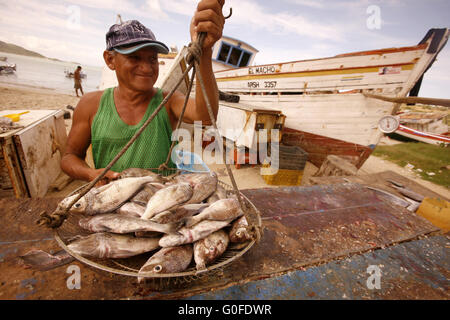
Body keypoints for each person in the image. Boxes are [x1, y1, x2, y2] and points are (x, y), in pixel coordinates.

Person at [61, 0, 225, 185]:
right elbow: (69, 157)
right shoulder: (90, 104)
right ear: (110, 59)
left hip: (161, 199)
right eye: (134, 57)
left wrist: (205, 50)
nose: (147, 68)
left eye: (152, 59)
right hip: (114, 199)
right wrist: (90, 174)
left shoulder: (168, 101)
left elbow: (205, 116)